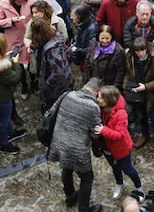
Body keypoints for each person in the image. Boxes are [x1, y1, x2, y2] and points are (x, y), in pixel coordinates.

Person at [49, 77, 103, 212]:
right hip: (77, 149)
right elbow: (96, 133)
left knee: (66, 168)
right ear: (97, 93)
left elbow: (52, 112)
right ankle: (84, 209)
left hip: (59, 142)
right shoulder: (93, 107)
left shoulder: (67, 95)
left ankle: (70, 197)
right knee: (87, 177)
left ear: (85, 86)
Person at [94, 85, 142, 200]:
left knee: (128, 169)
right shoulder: (100, 108)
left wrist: (103, 130)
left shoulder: (121, 114)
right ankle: (120, 184)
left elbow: (119, 135)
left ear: (108, 100)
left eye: (100, 98)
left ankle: (139, 188)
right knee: (115, 168)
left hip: (121, 149)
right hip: (107, 148)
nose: (97, 100)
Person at [122, 37, 154, 152]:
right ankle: (145, 135)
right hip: (137, 95)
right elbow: (128, 73)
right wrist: (127, 86)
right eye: (137, 51)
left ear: (147, 49)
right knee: (141, 117)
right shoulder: (130, 57)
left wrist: (146, 86)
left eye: (142, 50)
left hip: (152, 96)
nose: (140, 53)